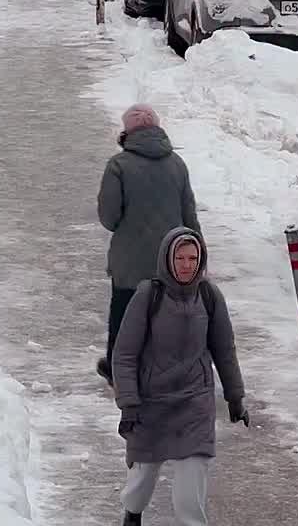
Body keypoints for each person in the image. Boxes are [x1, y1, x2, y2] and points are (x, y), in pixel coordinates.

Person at [113, 227, 248, 526]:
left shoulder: (209, 296)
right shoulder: (148, 295)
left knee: (189, 496)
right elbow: (124, 354)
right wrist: (129, 403)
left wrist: (235, 396)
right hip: (151, 404)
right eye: (180, 257)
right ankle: (132, 515)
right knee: (140, 484)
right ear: (167, 259)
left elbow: (224, 349)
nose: (187, 264)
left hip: (194, 403)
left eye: (193, 258)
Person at [96, 104, 200, 386]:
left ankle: (118, 371)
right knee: (167, 317)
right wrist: (197, 256)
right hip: (171, 261)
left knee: (124, 315)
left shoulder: (118, 166)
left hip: (130, 263)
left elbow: (109, 217)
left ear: (126, 132)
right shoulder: (177, 164)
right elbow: (189, 215)